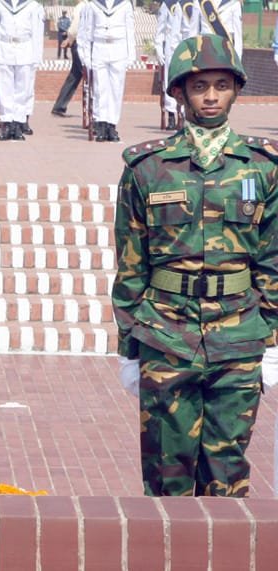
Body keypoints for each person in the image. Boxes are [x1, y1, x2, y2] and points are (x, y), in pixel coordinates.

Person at [112, 34, 278, 497]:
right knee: (167, 473)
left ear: (236, 90)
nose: (210, 97)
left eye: (221, 85)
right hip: (165, 334)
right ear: (179, 92)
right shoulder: (147, 168)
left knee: (228, 473)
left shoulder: (262, 167)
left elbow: (272, 260)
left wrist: (271, 341)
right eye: (199, 86)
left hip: (238, 336)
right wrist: (128, 348)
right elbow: (130, 263)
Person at [77, 0, 135, 142]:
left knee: (116, 89)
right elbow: (87, 31)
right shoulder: (94, 4)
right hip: (99, 48)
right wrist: (85, 55)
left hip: (119, 48)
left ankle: (111, 125)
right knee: (99, 89)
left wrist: (131, 54)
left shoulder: (125, 4)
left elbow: (130, 29)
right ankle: (101, 124)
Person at [0, 0, 45, 141]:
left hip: (25, 49)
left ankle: (18, 124)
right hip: (4, 49)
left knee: (22, 91)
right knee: (5, 89)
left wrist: (37, 57)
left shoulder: (32, 5)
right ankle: (7, 124)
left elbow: (37, 34)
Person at [51, 0, 85, 117]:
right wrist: (70, 39)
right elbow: (74, 30)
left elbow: (74, 30)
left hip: (78, 44)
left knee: (74, 76)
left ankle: (59, 106)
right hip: (82, 45)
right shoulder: (85, 6)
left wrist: (69, 40)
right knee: (88, 76)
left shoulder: (81, 7)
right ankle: (98, 110)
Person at [154, 0, 180, 130]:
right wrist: (158, 48)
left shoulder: (192, 3)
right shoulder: (167, 5)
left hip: (188, 41)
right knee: (170, 80)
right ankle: (171, 116)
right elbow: (160, 29)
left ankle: (184, 116)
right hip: (171, 46)